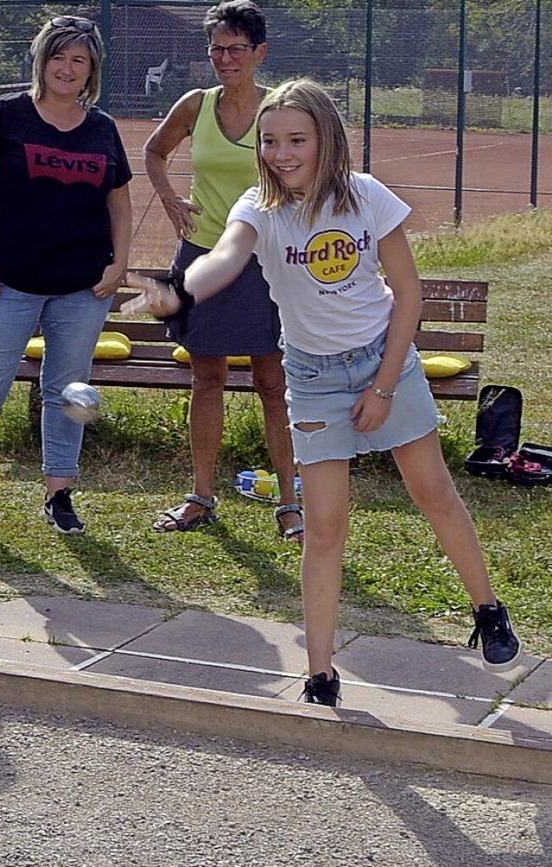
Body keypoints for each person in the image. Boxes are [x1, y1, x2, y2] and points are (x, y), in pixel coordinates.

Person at [126, 77, 523, 706]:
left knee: (434, 494)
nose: (282, 153)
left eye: (297, 140)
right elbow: (224, 257)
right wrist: (182, 289)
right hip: (311, 377)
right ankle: (320, 674)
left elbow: (409, 297)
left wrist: (385, 388)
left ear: (325, 140)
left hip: (382, 362)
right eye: (271, 141)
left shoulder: (366, 197)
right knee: (324, 528)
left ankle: (488, 610)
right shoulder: (258, 208)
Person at [0, 15, 132, 537]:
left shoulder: (102, 128)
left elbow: (120, 203)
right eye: (58, 57)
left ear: (91, 71)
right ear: (41, 61)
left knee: (68, 393)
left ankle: (60, 495)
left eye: (78, 60)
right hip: (8, 281)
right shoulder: (6, 116)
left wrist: (117, 263)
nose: (67, 68)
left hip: (81, 287)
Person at [143, 0, 302, 541]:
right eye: (216, 48)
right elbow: (153, 151)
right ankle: (201, 497)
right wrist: (169, 199)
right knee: (206, 378)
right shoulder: (195, 105)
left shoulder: (283, 109)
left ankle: (288, 503)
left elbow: (310, 173)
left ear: (260, 52)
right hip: (204, 259)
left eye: (237, 48)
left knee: (273, 384)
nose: (225, 58)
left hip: (268, 265)